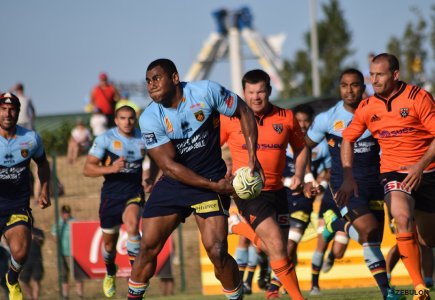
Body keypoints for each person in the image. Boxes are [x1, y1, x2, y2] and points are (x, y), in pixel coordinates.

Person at [128, 58, 263, 300]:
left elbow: (243, 111)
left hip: (211, 178)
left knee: (218, 251)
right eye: (148, 82)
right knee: (147, 247)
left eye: (157, 78)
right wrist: (216, 186)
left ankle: (236, 297)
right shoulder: (150, 118)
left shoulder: (206, 92)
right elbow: (169, 167)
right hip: (177, 183)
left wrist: (253, 159)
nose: (151, 85)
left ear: (175, 78)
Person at [337, 53, 435, 300]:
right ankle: (419, 287)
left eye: (380, 74)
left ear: (395, 74)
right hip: (393, 172)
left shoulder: (418, 98)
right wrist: (348, 175)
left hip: (428, 173)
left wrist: (421, 165)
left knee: (428, 239)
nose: (374, 80)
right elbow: (347, 139)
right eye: (372, 74)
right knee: (401, 218)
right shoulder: (367, 107)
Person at [305, 69, 403, 300]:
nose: (349, 90)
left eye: (355, 85)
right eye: (344, 85)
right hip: (344, 185)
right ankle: (387, 292)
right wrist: (308, 178)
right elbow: (303, 147)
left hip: (375, 183)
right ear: (339, 88)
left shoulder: (378, 111)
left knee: (374, 239)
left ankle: (336, 225)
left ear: (363, 87)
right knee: (367, 229)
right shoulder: (327, 118)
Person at [221, 69, 308, 300]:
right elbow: (211, 151)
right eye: (250, 92)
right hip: (248, 194)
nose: (256, 97)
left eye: (261, 91)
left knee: (277, 250)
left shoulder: (286, 117)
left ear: (269, 91)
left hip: (278, 192)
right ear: (243, 93)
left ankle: (238, 226)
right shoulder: (229, 119)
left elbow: (301, 148)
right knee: (277, 245)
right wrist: (224, 172)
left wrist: (300, 174)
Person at [83, 105, 156, 298]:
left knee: (133, 227)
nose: (127, 122)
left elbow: (156, 159)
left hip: (134, 192)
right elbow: (88, 169)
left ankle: (136, 278)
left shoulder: (144, 138)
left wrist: (151, 179)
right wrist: (111, 169)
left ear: (135, 119)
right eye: (123, 118)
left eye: (131, 118)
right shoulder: (105, 139)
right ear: (116, 120)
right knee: (109, 246)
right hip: (111, 196)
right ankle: (110, 272)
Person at [265, 103, 331, 297]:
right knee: (281, 245)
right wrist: (287, 181)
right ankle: (287, 280)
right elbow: (270, 171)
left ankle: (274, 285)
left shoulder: (321, 145)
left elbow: (327, 171)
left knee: (290, 243)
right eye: (299, 120)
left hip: (303, 200)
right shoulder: (281, 142)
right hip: (281, 197)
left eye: (306, 121)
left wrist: (320, 184)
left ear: (312, 122)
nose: (302, 125)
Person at [0, 92, 51, 300]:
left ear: (18, 112)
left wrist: (44, 189)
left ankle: (12, 280)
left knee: (21, 252)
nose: (8, 113)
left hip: (16, 206)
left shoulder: (30, 139)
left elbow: (43, 164)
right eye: (3, 109)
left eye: (12, 109)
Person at [51, 205, 86, 299]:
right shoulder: (58, 223)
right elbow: (54, 236)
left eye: (68, 212)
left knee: (78, 276)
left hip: (74, 254)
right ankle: (65, 296)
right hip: (63, 254)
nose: (66, 214)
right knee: (64, 276)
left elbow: (81, 235)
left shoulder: (74, 222)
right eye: (64, 213)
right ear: (62, 213)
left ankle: (80, 295)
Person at [19, 226, 44, 300]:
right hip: (25, 260)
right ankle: (30, 297)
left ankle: (35, 298)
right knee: (24, 281)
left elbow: (41, 241)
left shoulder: (38, 231)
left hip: (37, 260)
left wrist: (34, 237)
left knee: (37, 279)